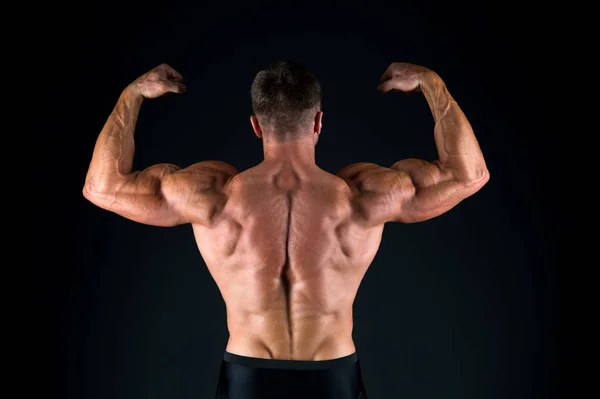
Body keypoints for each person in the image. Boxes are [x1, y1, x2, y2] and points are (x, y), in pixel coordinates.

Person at [82, 60, 489, 399]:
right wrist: (432, 85)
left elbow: (102, 187)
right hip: (334, 377)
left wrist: (131, 94)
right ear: (318, 122)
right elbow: (469, 175)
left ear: (257, 126)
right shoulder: (361, 195)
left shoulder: (212, 195)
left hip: (248, 379)